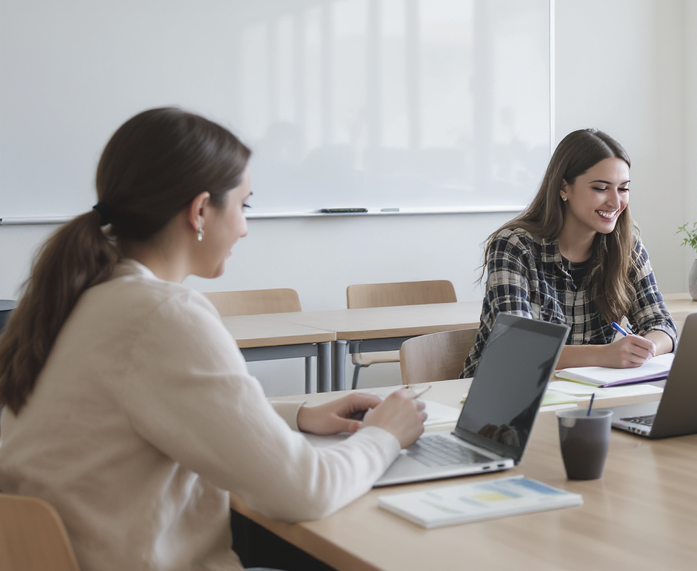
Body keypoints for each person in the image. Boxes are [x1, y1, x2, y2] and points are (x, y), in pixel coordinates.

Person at [0, 108, 428, 571]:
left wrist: (295, 416)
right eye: (244, 206)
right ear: (200, 210)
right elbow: (307, 491)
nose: (244, 227)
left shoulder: (78, 297)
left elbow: (142, 411)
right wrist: (385, 435)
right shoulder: (161, 314)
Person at [463, 129, 676, 378]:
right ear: (564, 188)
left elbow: (663, 326)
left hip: (586, 394)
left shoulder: (625, 244)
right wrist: (605, 354)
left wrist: (646, 349)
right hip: (504, 394)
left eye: (623, 189)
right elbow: (517, 348)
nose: (615, 202)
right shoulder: (514, 246)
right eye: (600, 188)